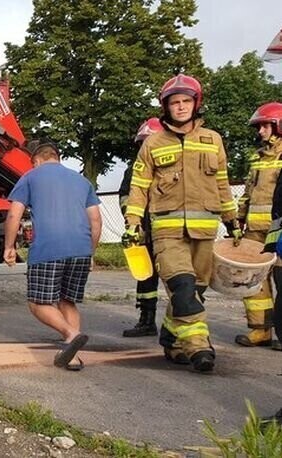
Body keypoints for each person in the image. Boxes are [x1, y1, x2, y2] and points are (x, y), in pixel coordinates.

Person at [123, 74, 239, 373]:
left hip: (205, 230)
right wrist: (133, 222)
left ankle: (172, 340)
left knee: (194, 293)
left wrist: (232, 221)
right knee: (183, 287)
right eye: (175, 102)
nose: (181, 107)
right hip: (167, 231)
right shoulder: (152, 144)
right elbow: (138, 187)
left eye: (186, 101)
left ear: (196, 104)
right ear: (166, 107)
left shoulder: (213, 140)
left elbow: (223, 185)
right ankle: (199, 346)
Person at [3, 140, 102, 371]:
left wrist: (9, 246)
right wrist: (91, 252)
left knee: (38, 303)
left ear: (36, 160)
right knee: (67, 300)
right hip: (80, 250)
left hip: (48, 249)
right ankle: (74, 355)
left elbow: (13, 216)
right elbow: (96, 220)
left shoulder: (30, 177)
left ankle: (71, 333)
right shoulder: (82, 181)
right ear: (57, 157)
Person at [235, 102, 282, 348]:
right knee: (254, 281)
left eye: (265, 125)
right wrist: (239, 218)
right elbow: (248, 192)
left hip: (279, 229)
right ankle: (260, 330)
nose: (260, 131)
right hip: (254, 230)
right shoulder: (258, 157)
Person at [118, 118, 164, 337]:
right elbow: (125, 197)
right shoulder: (134, 170)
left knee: (178, 279)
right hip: (144, 232)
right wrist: (133, 223)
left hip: (168, 233)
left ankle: (181, 326)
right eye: (143, 143)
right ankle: (146, 320)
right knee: (146, 277)